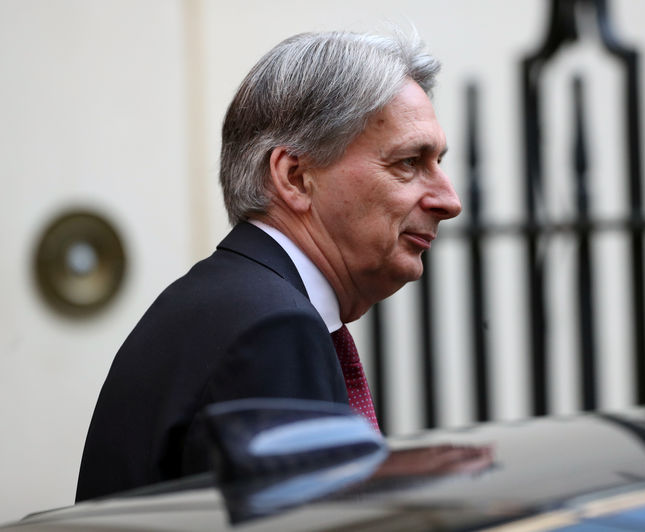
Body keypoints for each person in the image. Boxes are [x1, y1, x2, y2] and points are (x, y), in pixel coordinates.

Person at [75, 29, 461, 501]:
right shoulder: (273, 330)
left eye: (439, 161)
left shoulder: (229, 302)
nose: (449, 200)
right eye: (408, 162)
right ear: (295, 177)